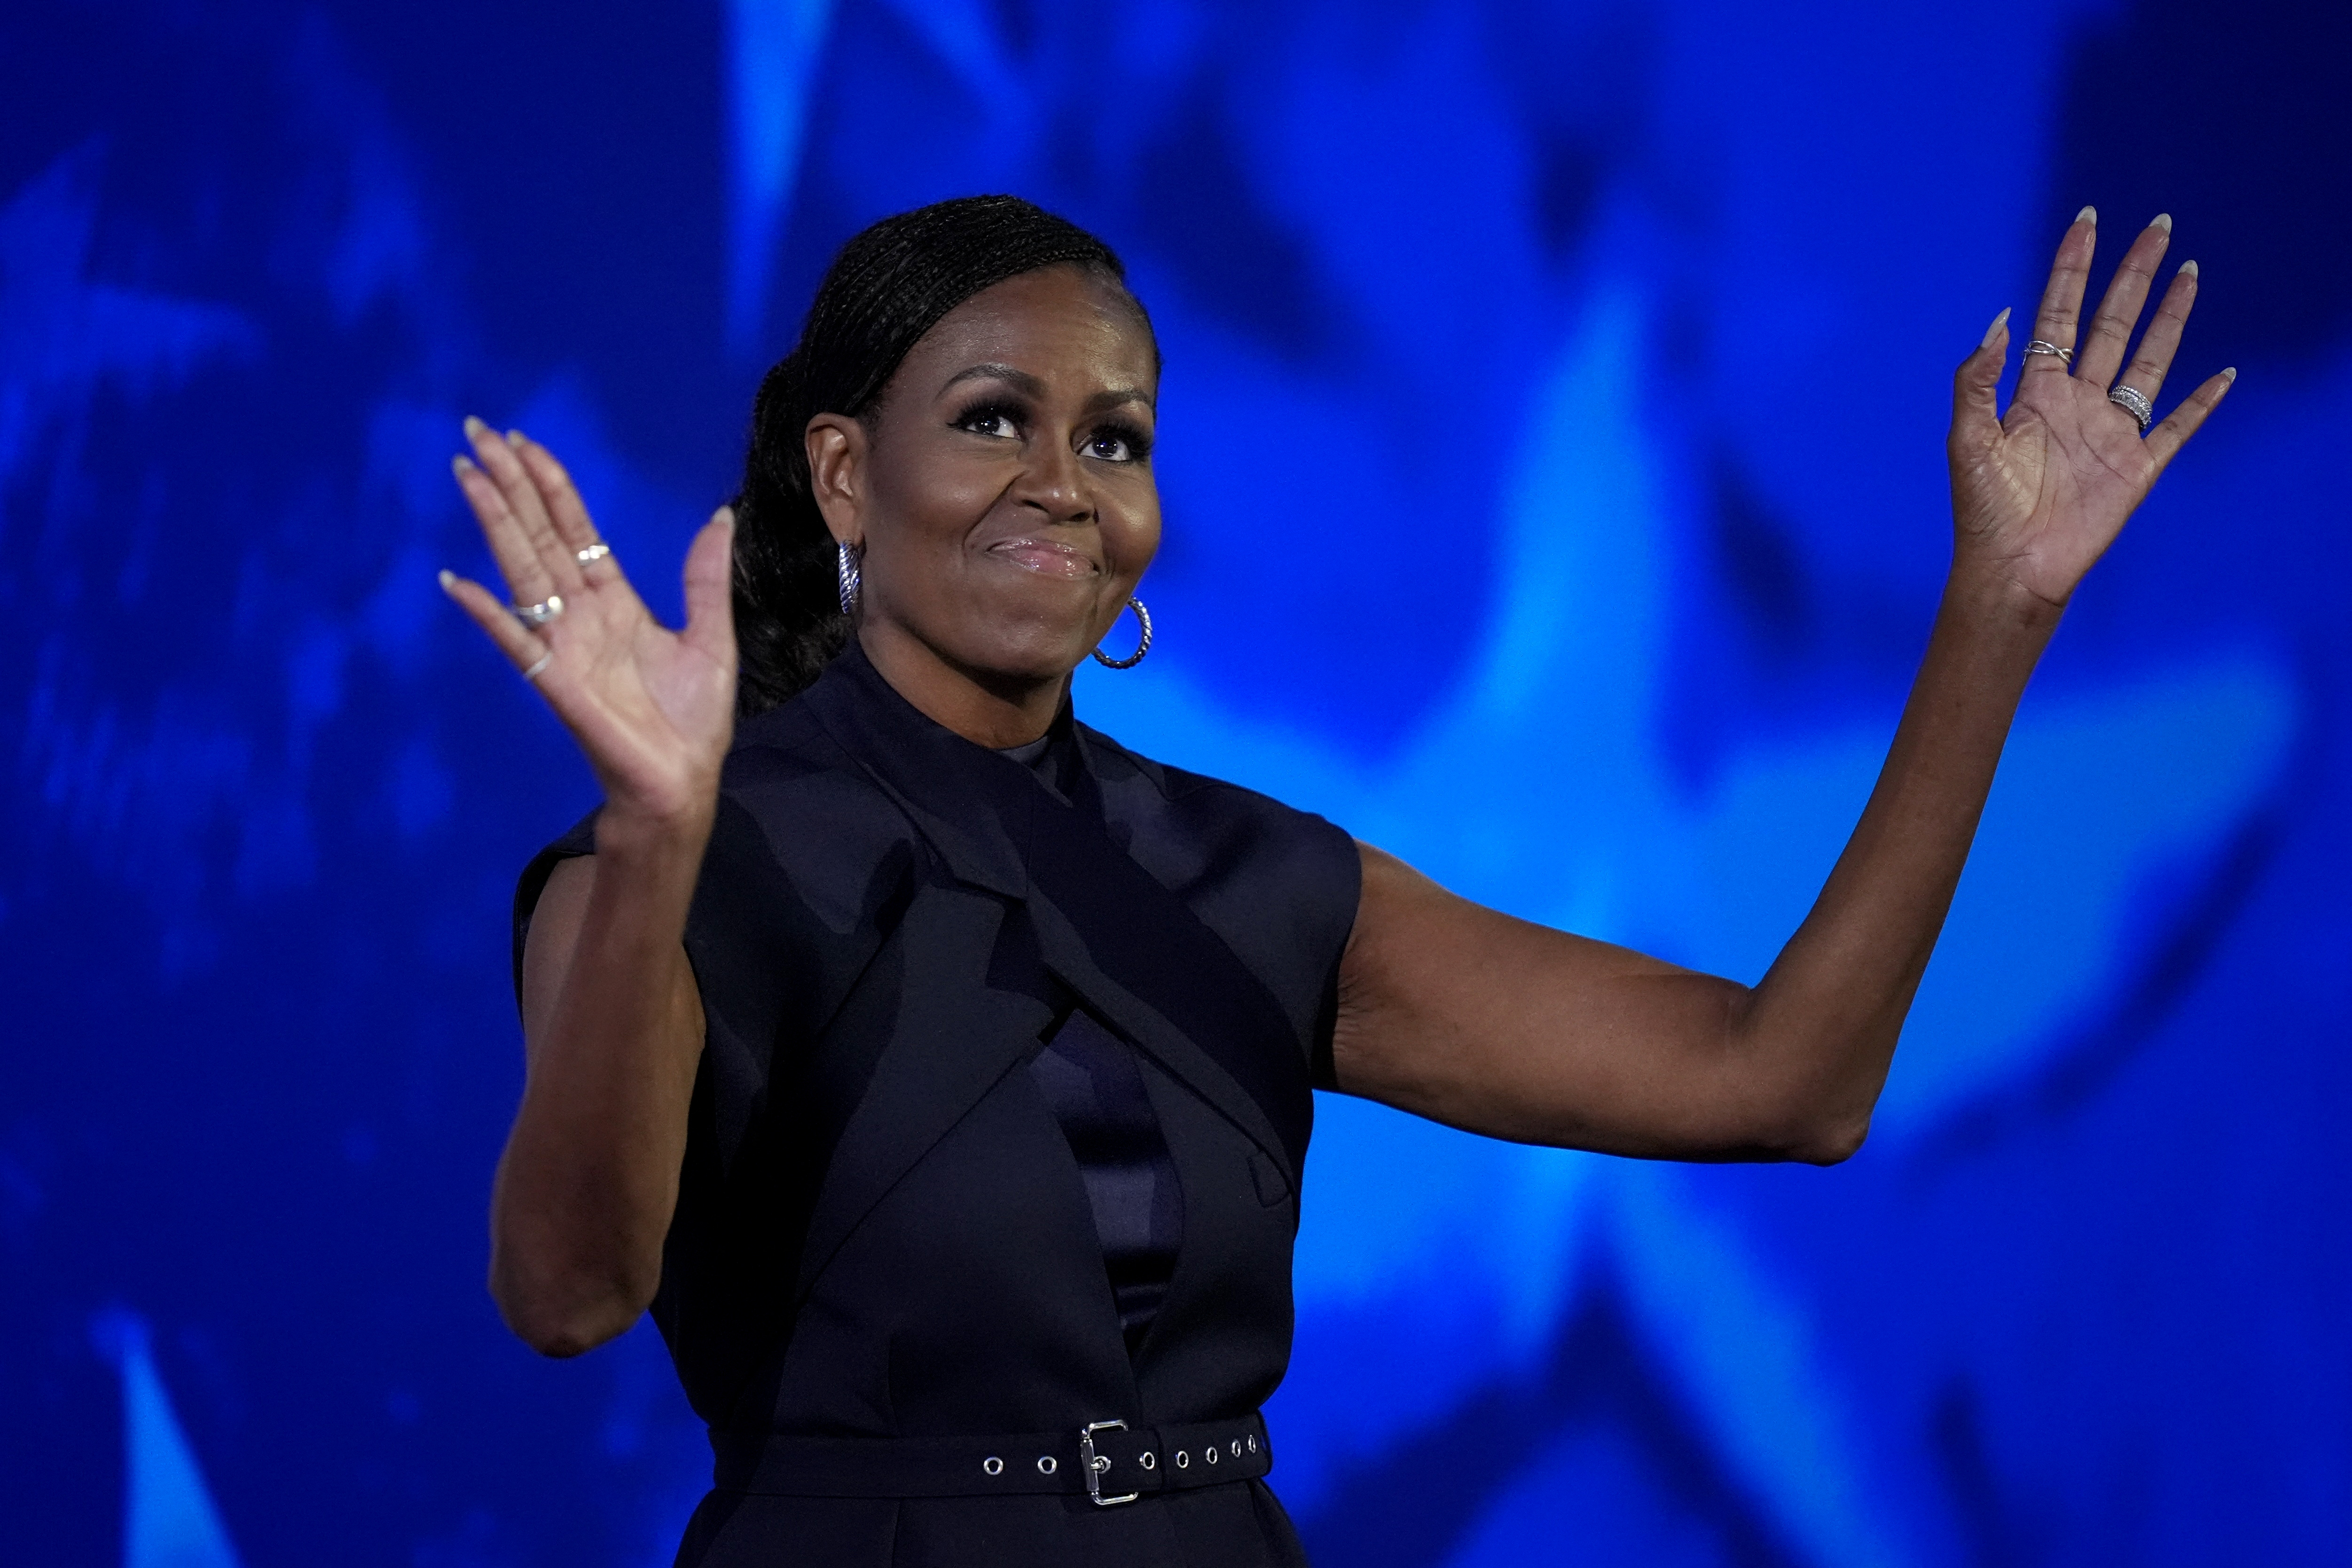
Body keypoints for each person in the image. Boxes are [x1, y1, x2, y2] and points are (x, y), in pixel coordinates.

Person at [438, 196, 2227, 1565]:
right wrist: (662, 834)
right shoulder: (672, 862)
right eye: (992, 420)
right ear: (844, 469)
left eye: (1114, 438)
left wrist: (1995, 611)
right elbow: (567, 1290)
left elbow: (1787, 1083)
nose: (1061, 484)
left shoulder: (1248, 874)